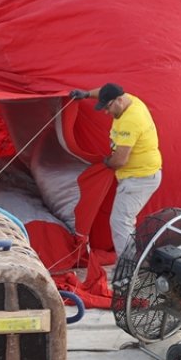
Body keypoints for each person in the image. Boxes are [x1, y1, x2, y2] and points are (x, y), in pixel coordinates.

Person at [69, 83, 163, 256]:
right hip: (141, 174)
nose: (106, 112)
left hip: (139, 178)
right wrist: (87, 94)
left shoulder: (130, 121)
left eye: (107, 107)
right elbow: (106, 91)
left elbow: (119, 160)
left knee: (120, 222)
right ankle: (133, 262)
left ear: (119, 100)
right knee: (124, 221)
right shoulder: (129, 99)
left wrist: (104, 163)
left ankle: (128, 270)